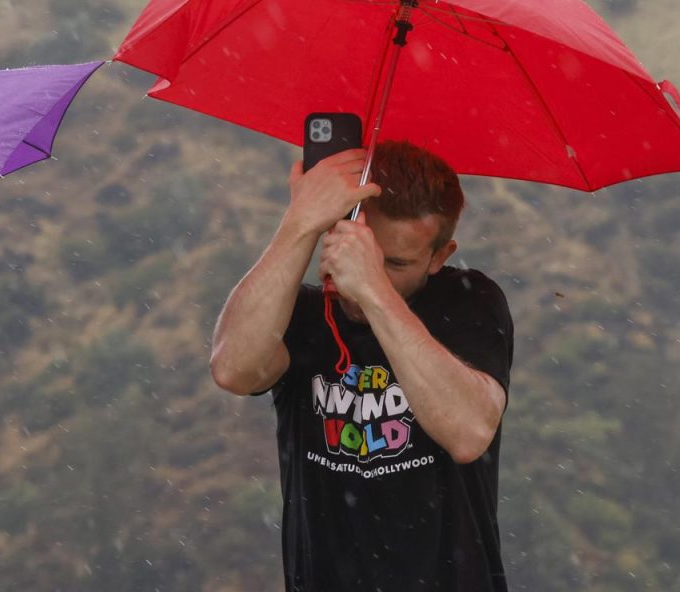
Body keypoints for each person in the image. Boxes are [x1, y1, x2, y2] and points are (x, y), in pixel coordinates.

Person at [210, 141, 513, 592]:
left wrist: (373, 291)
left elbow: (468, 432)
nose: (376, 269)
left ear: (440, 256)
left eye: (397, 263)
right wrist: (300, 224)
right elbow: (233, 369)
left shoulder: (469, 301)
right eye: (368, 251)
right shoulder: (300, 311)